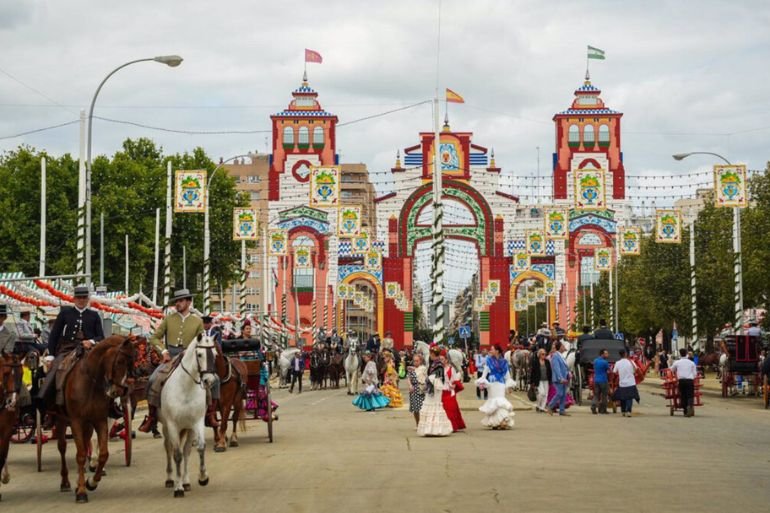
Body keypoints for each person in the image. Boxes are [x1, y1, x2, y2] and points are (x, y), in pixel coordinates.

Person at [139, 288, 206, 433]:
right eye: (176, 301)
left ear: (189, 302)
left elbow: (202, 341)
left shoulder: (197, 321)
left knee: (212, 380)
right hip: (171, 357)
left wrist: (193, 352)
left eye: (181, 301)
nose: (177, 304)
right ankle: (151, 417)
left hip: (190, 358)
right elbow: (154, 338)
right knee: (153, 379)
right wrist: (164, 352)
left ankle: (210, 413)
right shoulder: (169, 319)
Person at [39, 286, 105, 404]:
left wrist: (91, 341)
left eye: (84, 298)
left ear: (87, 299)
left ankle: (108, 401)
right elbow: (54, 335)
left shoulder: (94, 315)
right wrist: (51, 355)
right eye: (79, 298)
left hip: (89, 350)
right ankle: (46, 400)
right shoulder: (65, 313)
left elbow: (101, 336)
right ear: (74, 299)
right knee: (56, 367)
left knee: (104, 368)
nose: (81, 300)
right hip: (68, 349)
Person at [417, 347, 453, 436]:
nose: (430, 355)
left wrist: (427, 379)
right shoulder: (433, 363)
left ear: (433, 354)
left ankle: (436, 429)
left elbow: (439, 378)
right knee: (429, 405)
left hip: (436, 388)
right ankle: (429, 429)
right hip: (431, 387)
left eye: (430, 354)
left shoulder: (439, 365)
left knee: (434, 406)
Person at [477, 344, 514, 429]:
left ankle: (503, 420)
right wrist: (482, 382)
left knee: (501, 400)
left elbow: (507, 375)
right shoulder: (489, 360)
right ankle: (496, 422)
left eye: (492, 349)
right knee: (493, 401)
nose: (490, 351)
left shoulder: (504, 362)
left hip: (501, 383)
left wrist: (509, 386)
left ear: (497, 351)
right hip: (492, 384)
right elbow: (485, 372)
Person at [440, 350, 466, 432]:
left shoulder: (452, 369)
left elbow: (456, 378)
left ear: (446, 360)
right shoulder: (439, 369)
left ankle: (453, 426)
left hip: (450, 392)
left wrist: (454, 384)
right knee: (443, 409)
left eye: (442, 359)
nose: (441, 361)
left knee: (451, 409)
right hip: (442, 391)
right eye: (440, 359)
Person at [671, 348, 698, 417]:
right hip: (689, 381)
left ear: (680, 354)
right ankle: (689, 406)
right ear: (686, 354)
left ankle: (685, 410)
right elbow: (695, 374)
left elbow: (672, 369)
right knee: (690, 395)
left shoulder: (677, 362)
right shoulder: (691, 363)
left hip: (681, 381)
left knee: (683, 395)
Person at [546, 340, 570, 416]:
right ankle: (550, 406)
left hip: (564, 377)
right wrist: (560, 378)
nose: (564, 347)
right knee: (559, 393)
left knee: (563, 394)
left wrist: (568, 374)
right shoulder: (555, 356)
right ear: (559, 347)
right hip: (559, 379)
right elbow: (556, 368)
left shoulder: (562, 356)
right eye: (563, 346)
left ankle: (562, 410)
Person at [613, 349, 640, 417]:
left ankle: (623, 411)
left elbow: (614, 372)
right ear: (625, 354)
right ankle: (629, 411)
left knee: (623, 398)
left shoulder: (617, 363)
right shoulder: (631, 362)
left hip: (622, 384)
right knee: (629, 398)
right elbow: (636, 369)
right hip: (631, 383)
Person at [407, 353, 427, 426]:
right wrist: (410, 385)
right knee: (415, 409)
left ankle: (424, 423)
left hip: (421, 389)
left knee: (422, 408)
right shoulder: (411, 370)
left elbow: (426, 378)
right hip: (413, 390)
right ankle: (417, 424)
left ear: (420, 361)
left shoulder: (423, 368)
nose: (415, 362)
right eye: (414, 361)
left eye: (417, 361)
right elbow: (408, 378)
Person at [530, 348, 552, 412]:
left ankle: (542, 407)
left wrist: (550, 380)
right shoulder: (535, 362)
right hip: (539, 380)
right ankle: (538, 405)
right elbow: (533, 372)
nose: (544, 355)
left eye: (545, 354)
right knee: (541, 393)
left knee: (546, 394)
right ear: (539, 355)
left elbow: (550, 371)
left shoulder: (547, 362)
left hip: (546, 380)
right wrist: (532, 382)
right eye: (542, 354)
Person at [591, 349, 610, 414]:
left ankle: (593, 406)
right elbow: (608, 370)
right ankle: (603, 409)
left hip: (596, 380)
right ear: (602, 354)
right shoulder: (605, 362)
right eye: (606, 354)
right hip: (603, 380)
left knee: (596, 395)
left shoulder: (595, 361)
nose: (607, 355)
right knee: (604, 395)